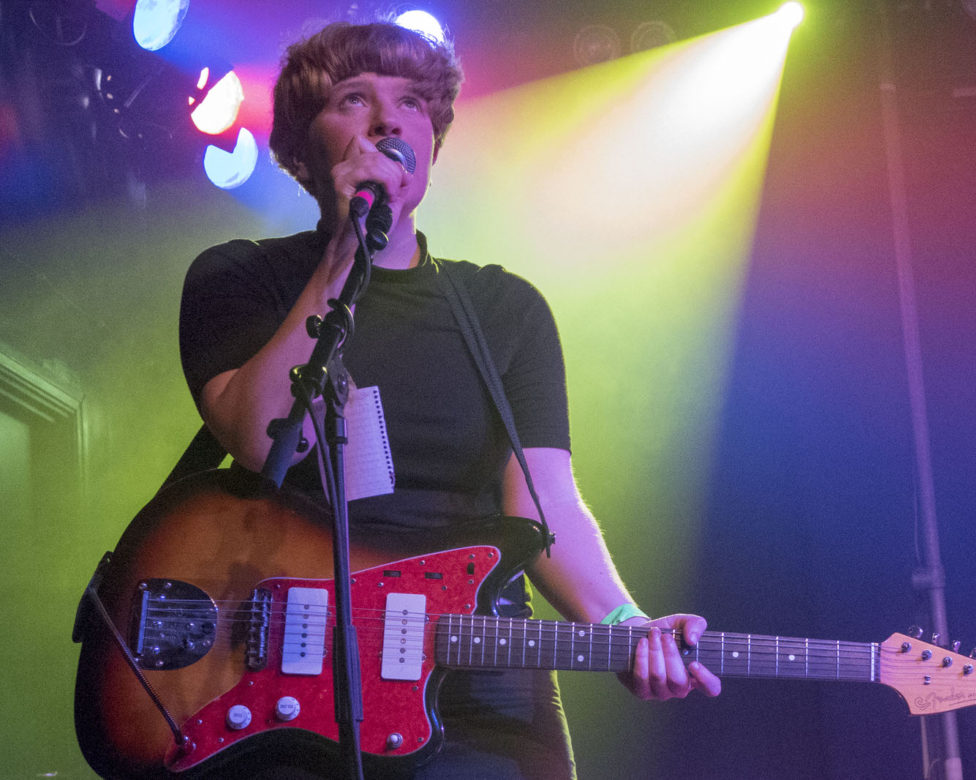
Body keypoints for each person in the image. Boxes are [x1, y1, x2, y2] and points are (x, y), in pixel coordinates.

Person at [179, 19, 720, 778]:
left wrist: (625, 624)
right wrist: (344, 252)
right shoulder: (240, 279)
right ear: (304, 146)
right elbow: (267, 441)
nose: (388, 118)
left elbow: (544, 503)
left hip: (475, 678)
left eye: (412, 102)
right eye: (354, 97)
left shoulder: (504, 308)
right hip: (287, 673)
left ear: (432, 139)